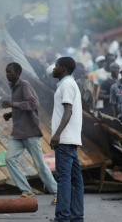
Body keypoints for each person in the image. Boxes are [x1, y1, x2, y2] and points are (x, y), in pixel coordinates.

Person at [1, 62, 57, 205]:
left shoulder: (24, 85)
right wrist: (11, 114)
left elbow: (33, 104)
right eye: (6, 71)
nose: (7, 74)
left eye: (10, 72)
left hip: (30, 132)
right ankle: (26, 191)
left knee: (40, 165)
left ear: (18, 73)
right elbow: (22, 106)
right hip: (18, 132)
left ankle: (57, 193)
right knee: (9, 159)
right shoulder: (13, 87)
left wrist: (12, 104)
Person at [49, 56, 84, 222]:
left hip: (64, 139)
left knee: (64, 179)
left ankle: (62, 217)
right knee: (76, 180)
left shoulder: (67, 84)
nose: (53, 69)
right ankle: (76, 217)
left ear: (63, 68)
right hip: (71, 138)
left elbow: (68, 111)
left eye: (56, 66)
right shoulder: (68, 84)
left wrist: (57, 134)